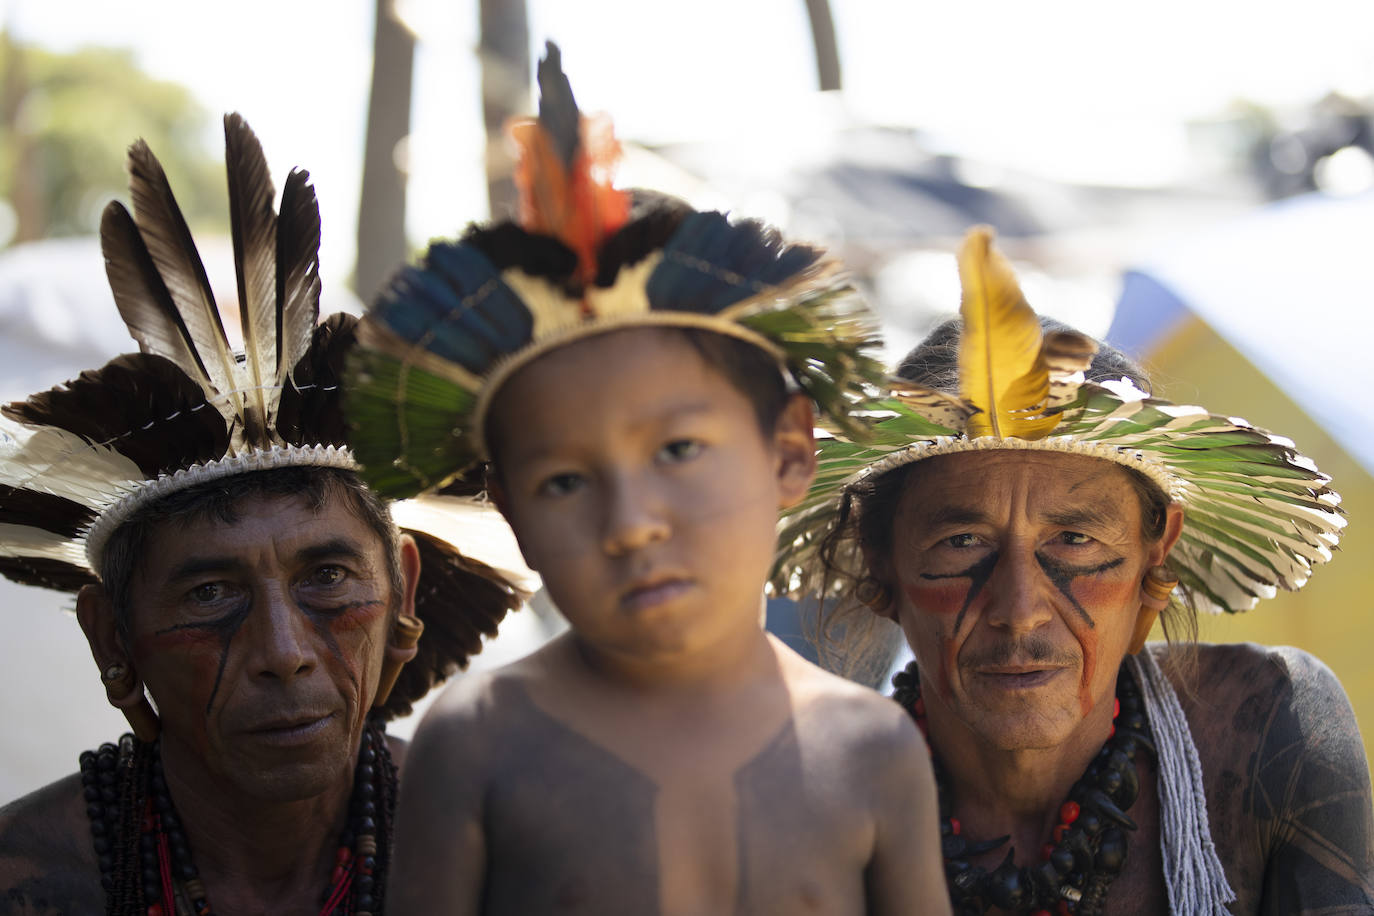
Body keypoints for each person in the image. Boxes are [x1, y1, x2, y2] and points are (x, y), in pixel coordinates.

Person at [346, 44, 949, 916]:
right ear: (510, 512)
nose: (630, 523)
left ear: (788, 450)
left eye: (678, 450)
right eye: (563, 482)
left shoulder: (872, 753)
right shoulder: (477, 747)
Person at [0, 116, 523, 915]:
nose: (283, 653)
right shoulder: (28, 884)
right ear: (111, 636)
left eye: (329, 577)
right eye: (209, 593)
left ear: (405, 594)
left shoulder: (514, 866)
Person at [774, 225, 1373, 915]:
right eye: (963, 541)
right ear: (881, 563)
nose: (1020, 610)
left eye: (1075, 540)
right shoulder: (806, 813)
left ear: (1157, 551)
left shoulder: (1266, 730)